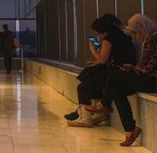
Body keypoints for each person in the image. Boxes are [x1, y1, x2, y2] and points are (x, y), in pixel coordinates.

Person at [87, 14, 157, 146]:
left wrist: (131, 69)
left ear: (142, 28)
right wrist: (131, 67)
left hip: (152, 81)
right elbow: (144, 67)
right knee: (115, 89)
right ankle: (130, 130)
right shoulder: (150, 38)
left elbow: (148, 69)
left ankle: (104, 104)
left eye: (136, 33)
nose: (136, 37)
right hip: (148, 78)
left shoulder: (153, 39)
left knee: (114, 76)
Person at [67, 14, 136, 127]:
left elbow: (103, 60)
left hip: (116, 73)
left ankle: (85, 117)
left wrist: (93, 50)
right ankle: (98, 114)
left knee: (83, 87)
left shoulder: (108, 39)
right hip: (124, 70)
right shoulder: (123, 36)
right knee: (92, 79)